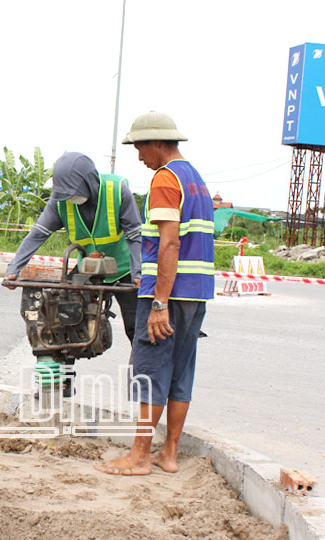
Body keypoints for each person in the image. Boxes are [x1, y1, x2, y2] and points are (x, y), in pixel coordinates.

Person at [95, 111, 214, 476]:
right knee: (180, 372)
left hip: (168, 293)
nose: (139, 155)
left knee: (150, 372)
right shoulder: (196, 180)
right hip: (196, 294)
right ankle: (169, 453)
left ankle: (140, 457)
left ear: (158, 143)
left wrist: (159, 303)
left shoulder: (165, 179)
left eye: (141, 146)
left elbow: (169, 245)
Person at [3, 151, 142, 344]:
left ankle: (144, 373)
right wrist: (13, 269)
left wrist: (139, 273)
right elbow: (38, 234)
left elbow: (135, 236)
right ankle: (62, 370)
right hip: (87, 268)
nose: (71, 198)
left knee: (138, 330)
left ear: (89, 182)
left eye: (74, 192)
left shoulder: (117, 191)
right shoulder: (60, 201)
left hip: (125, 269)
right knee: (60, 320)